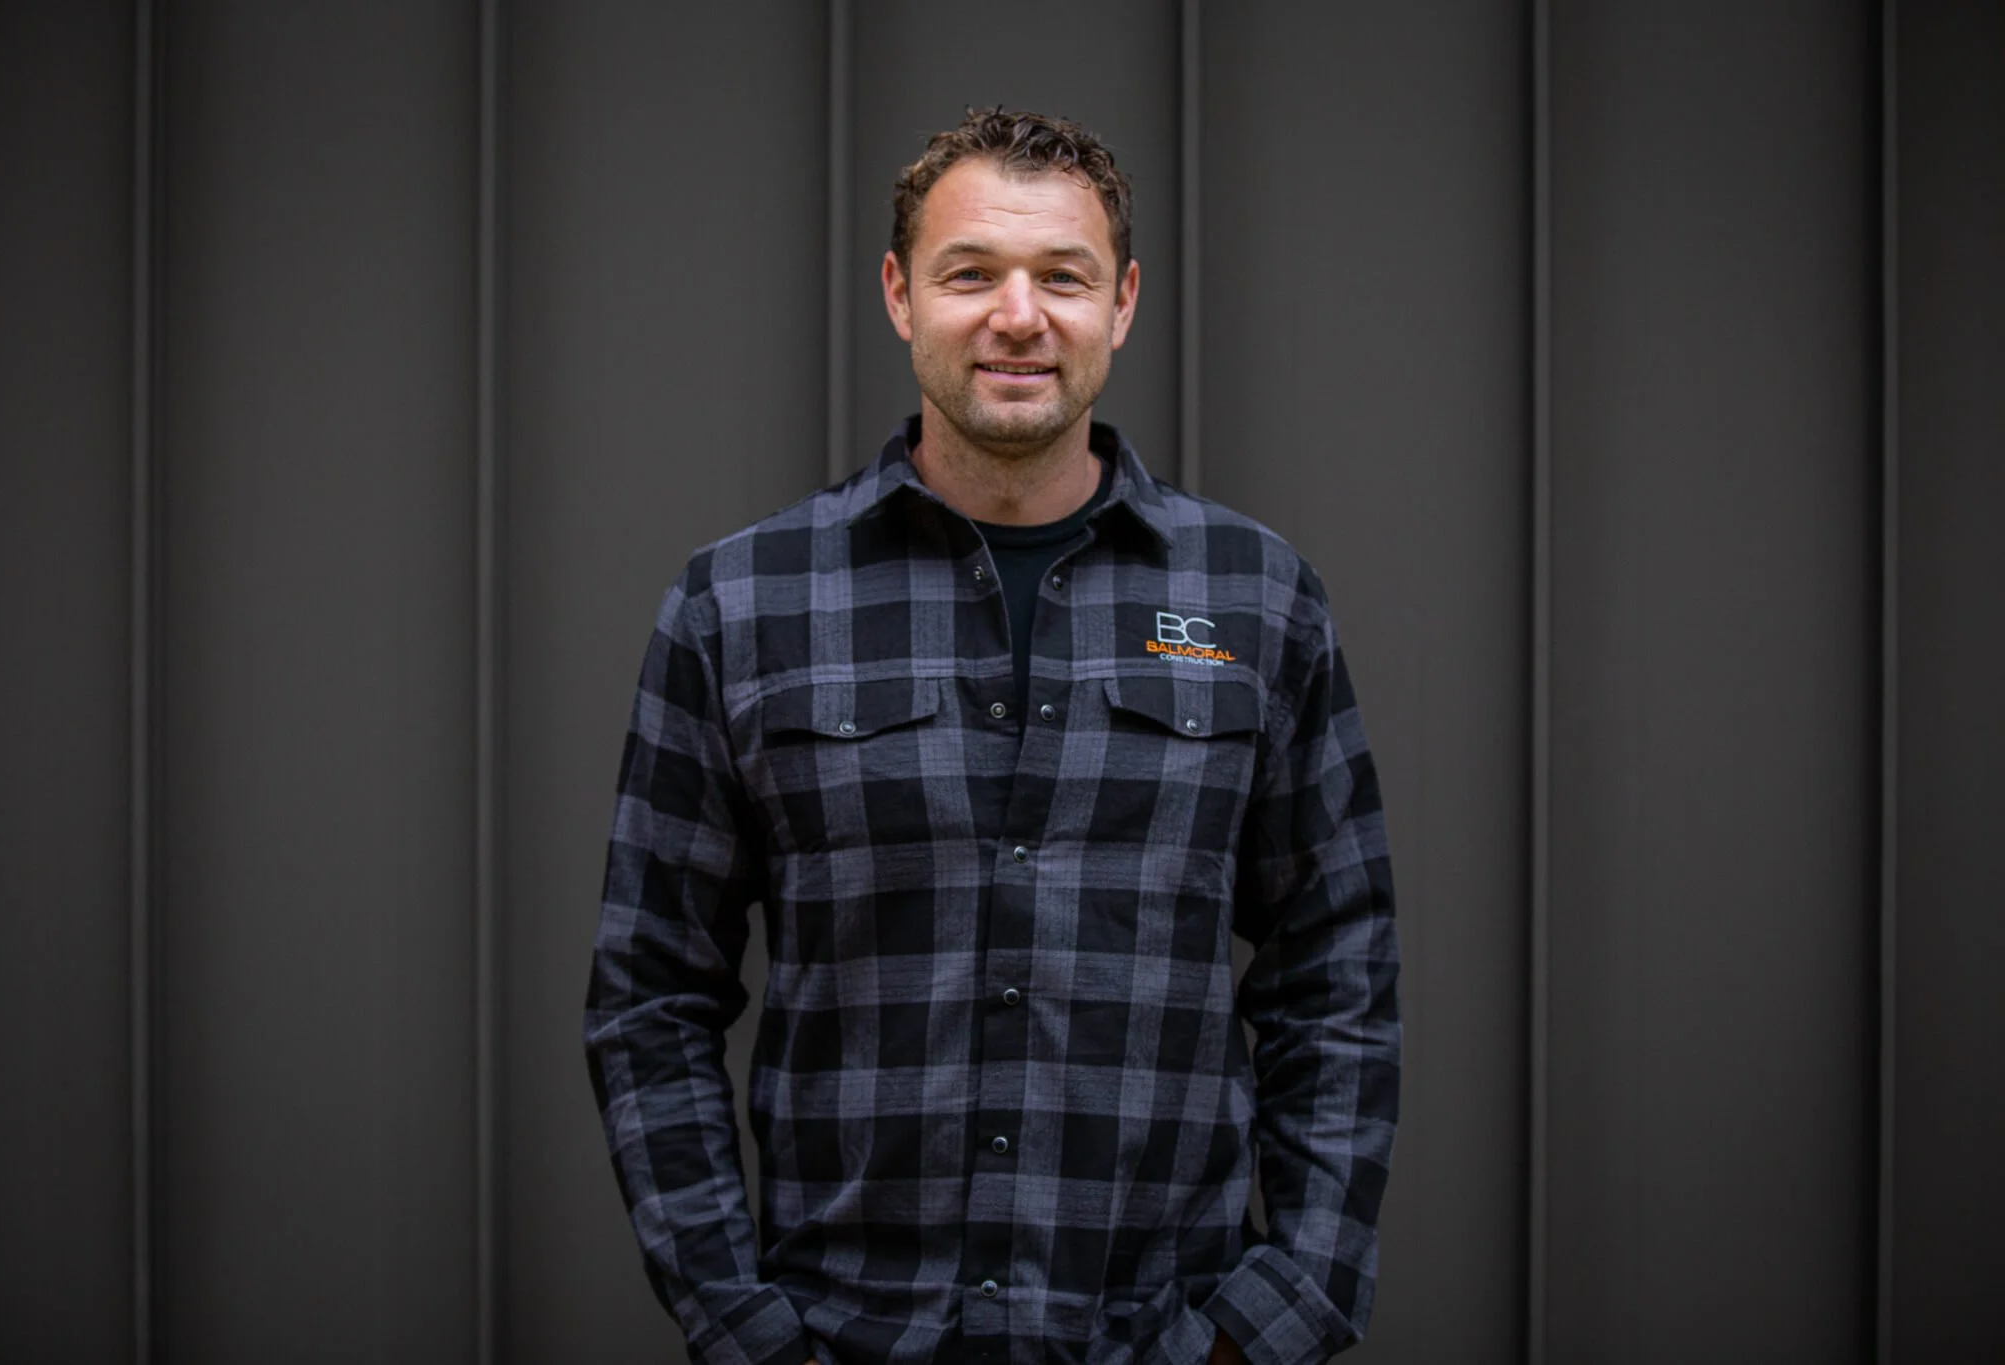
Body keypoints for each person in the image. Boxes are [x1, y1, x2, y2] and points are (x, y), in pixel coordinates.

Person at [585, 107, 1401, 1365]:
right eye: (970, 273)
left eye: (1060, 276)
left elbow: (1335, 976)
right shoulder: (741, 602)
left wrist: (1275, 1320)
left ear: (1120, 303)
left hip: (1161, 1338)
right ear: (899, 294)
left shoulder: (1256, 596)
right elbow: (649, 994)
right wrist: (740, 1327)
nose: (1017, 316)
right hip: (846, 1332)